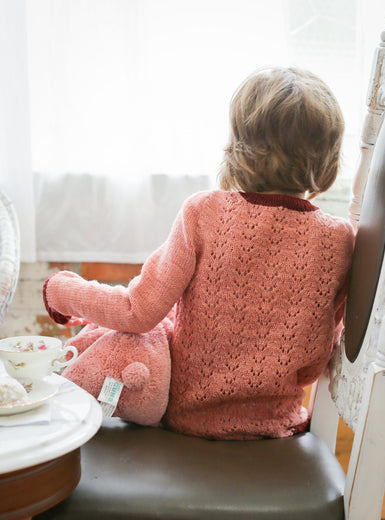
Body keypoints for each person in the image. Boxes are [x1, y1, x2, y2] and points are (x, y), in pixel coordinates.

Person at [43, 67, 355, 440]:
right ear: (328, 163)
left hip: (184, 420)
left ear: (238, 148)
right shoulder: (339, 240)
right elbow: (319, 355)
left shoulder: (204, 211)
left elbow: (137, 311)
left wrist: (62, 291)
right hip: (276, 427)